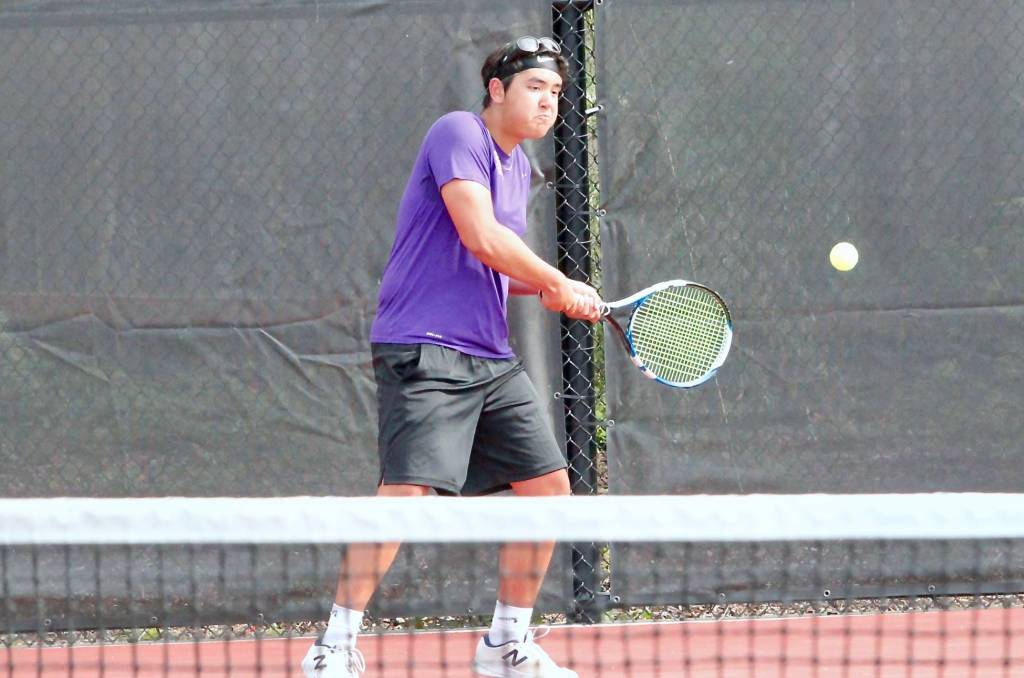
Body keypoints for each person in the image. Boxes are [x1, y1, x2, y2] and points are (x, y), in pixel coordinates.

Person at [301, 36, 601, 678]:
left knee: (547, 488)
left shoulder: (518, 167)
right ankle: (333, 644)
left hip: (489, 356)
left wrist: (548, 288)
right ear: (498, 89)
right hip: (425, 344)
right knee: (406, 490)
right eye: (535, 89)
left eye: (555, 93)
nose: (549, 103)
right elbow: (480, 235)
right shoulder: (457, 132)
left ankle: (504, 645)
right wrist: (555, 277)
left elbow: (495, 262)